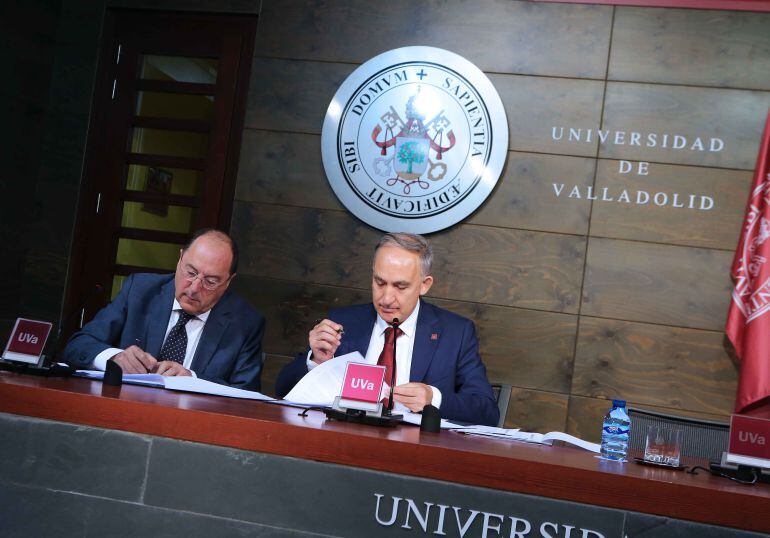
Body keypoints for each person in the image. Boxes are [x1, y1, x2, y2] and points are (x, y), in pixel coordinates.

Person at [276, 232, 499, 426]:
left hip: (415, 457)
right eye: (379, 282)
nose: (386, 298)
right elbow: (282, 391)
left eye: (400, 286)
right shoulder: (343, 323)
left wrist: (433, 398)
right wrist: (315, 361)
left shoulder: (455, 333)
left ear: (424, 285)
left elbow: (487, 411)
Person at [64, 229, 265, 391]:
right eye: (191, 272)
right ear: (179, 260)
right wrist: (114, 357)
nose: (194, 288)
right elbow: (78, 345)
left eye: (210, 281)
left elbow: (246, 392)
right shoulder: (140, 291)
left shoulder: (245, 323)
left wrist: (192, 379)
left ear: (229, 282)